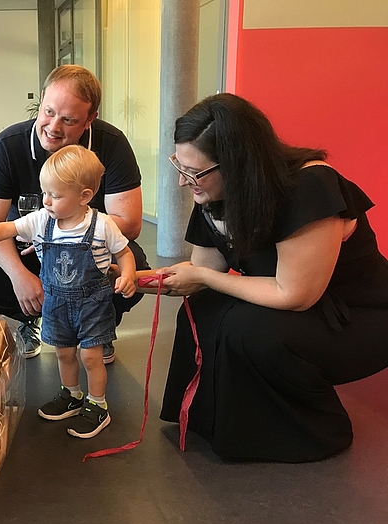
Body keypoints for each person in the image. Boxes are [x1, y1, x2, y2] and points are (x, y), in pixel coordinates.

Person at [158, 93, 388, 462]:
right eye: (180, 166)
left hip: (359, 314)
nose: (185, 183)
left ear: (236, 164)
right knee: (202, 309)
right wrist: (120, 278)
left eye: (194, 172)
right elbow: (202, 274)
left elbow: (295, 294)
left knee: (251, 328)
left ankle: (314, 431)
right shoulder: (215, 193)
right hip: (303, 307)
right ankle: (218, 422)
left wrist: (201, 275)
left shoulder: (310, 186)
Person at [0, 145, 136, 438]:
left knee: (91, 357)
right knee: (64, 354)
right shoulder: (42, 220)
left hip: (92, 303)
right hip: (56, 303)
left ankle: (97, 405)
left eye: (55, 195)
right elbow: (5, 229)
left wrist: (128, 274)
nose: (47, 200)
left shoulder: (102, 225)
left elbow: (125, 253)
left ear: (84, 196)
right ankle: (72, 394)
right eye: (45, 193)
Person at [0, 64, 149, 362]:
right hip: (30, 250)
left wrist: (64, 236)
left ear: (90, 119)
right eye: (48, 112)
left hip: (89, 249)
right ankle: (29, 318)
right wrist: (20, 276)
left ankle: (98, 326)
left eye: (68, 120)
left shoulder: (112, 144)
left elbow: (130, 225)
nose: (54, 127)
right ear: (42, 99)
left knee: (136, 262)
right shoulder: (8, 146)